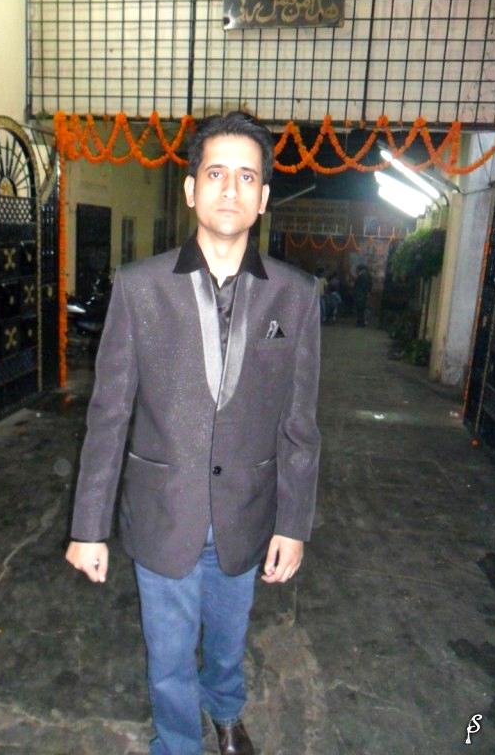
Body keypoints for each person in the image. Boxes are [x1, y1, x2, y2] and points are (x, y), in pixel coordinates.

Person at [65, 112, 321, 755]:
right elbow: (109, 414)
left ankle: (226, 712)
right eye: (215, 173)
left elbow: (299, 421)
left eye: (246, 177)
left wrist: (294, 522)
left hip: (247, 512)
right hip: (163, 512)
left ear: (264, 197)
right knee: (169, 654)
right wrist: (88, 526)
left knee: (229, 639)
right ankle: (177, 743)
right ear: (190, 189)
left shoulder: (295, 295)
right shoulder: (139, 288)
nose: (230, 189)